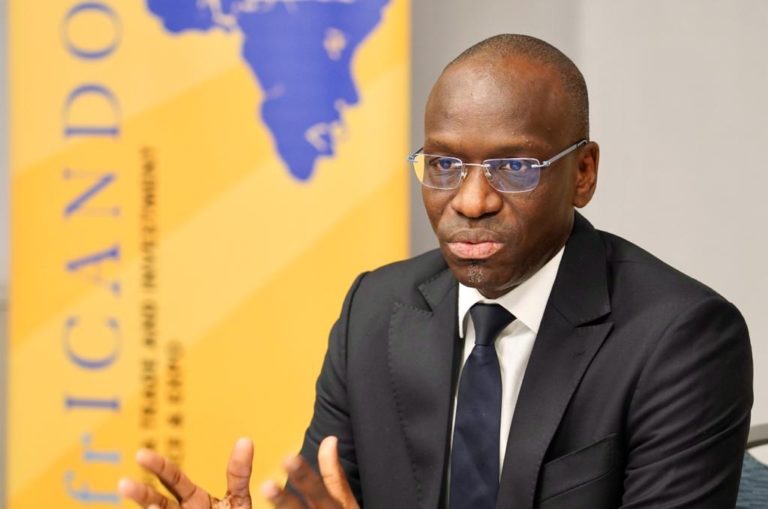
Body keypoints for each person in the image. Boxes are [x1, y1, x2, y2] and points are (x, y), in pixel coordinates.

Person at [118, 34, 753, 509]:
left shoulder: (680, 338)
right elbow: (322, 496)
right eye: (444, 165)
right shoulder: (376, 310)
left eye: (515, 168)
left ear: (582, 174)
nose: (471, 201)